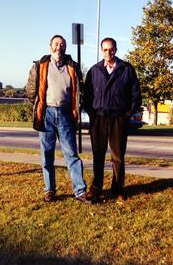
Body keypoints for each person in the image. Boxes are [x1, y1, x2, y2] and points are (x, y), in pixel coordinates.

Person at [26, 34, 90, 204]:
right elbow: (30, 91)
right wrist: (40, 104)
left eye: (62, 44)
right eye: (56, 44)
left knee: (72, 155)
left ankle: (80, 191)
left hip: (66, 114)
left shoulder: (73, 67)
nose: (59, 47)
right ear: (50, 46)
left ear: (65, 47)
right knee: (47, 155)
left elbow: (79, 92)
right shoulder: (41, 65)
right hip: (46, 113)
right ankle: (49, 190)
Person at [83, 37, 142, 202]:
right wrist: (92, 113)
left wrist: (126, 116)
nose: (108, 52)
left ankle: (118, 188)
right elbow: (86, 97)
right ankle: (96, 188)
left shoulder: (126, 69)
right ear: (101, 50)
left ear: (115, 49)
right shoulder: (94, 70)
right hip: (98, 119)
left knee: (118, 156)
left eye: (111, 49)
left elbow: (136, 96)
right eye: (105, 49)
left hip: (118, 119)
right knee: (98, 155)